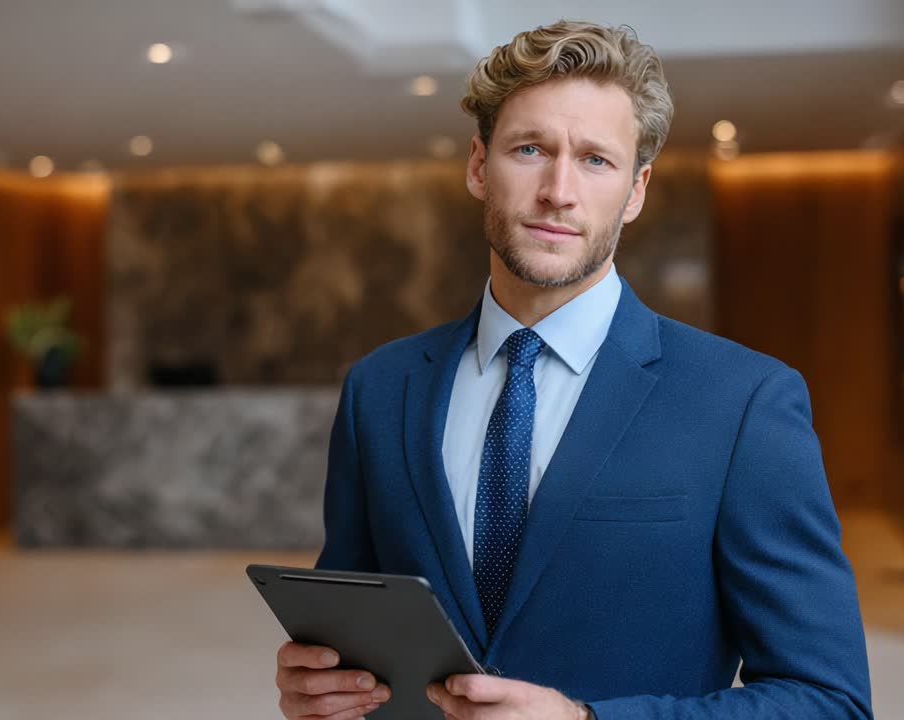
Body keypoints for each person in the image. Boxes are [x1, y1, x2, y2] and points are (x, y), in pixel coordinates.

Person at [274, 19, 872, 720]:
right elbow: (356, 637)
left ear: (637, 189)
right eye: (530, 149)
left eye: (596, 160)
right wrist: (319, 691)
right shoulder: (380, 388)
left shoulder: (745, 403)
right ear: (477, 165)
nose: (559, 190)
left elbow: (828, 702)